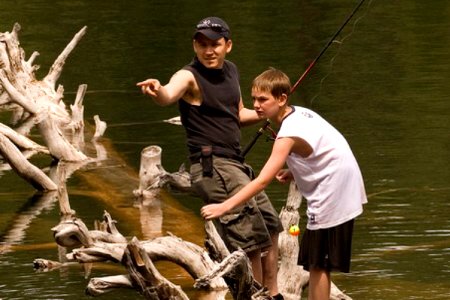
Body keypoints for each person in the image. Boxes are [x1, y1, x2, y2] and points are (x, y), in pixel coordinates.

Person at [137, 17, 284, 299]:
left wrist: (272, 110)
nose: (209, 51)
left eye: (215, 44)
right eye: (202, 44)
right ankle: (252, 296)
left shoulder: (231, 71)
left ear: (228, 45)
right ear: (195, 45)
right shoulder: (189, 76)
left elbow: (238, 115)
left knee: (272, 226)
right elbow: (168, 94)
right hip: (212, 167)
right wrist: (158, 91)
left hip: (235, 164)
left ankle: (273, 294)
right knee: (249, 240)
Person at [200, 68, 368, 300]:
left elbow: (261, 182)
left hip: (334, 193)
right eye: (254, 99)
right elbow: (320, 149)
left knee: (318, 264)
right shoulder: (300, 113)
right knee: (318, 262)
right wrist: (293, 171)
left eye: (263, 99)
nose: (257, 105)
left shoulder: (287, 134)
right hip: (344, 185)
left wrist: (224, 207)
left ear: (281, 99)